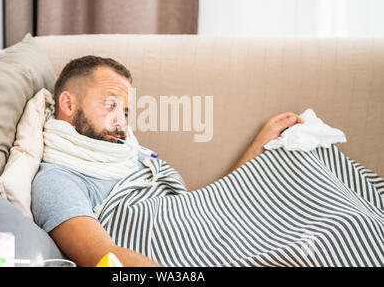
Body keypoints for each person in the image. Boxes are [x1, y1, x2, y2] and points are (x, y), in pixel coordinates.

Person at [31, 55, 304, 267]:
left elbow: (202, 207)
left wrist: (261, 144)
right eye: (110, 105)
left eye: (125, 111)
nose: (121, 122)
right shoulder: (58, 181)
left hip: (232, 239)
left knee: (300, 158)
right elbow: (104, 258)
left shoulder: (128, 153)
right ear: (68, 105)